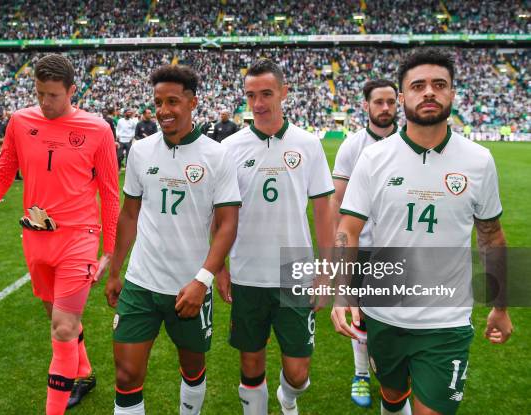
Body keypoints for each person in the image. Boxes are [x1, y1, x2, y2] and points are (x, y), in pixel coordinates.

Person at [332, 48, 513, 415]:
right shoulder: (374, 158)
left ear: (452, 94)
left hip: (446, 322)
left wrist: (501, 304)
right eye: (418, 85)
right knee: (393, 398)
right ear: (402, 97)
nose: (429, 92)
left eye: (439, 84)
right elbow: (347, 230)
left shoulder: (479, 161)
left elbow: (491, 235)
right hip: (384, 315)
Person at [0, 54, 120, 415]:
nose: (45, 102)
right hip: (36, 237)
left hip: (80, 238)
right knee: (60, 320)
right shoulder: (20, 121)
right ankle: (84, 374)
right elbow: (1, 175)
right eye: (40, 93)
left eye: (54, 95)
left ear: (72, 90)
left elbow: (109, 191)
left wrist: (110, 251)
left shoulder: (98, 130)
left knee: (61, 328)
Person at [105, 65, 241, 415]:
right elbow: (130, 214)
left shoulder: (217, 155)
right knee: (126, 374)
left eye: (173, 101)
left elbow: (227, 224)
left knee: (193, 368)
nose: (163, 110)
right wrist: (116, 270)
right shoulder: (140, 151)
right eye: (158, 102)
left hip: (190, 285)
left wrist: (203, 279)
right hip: (141, 282)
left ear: (193, 102)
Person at [220, 58, 336, 415]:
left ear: (284, 93)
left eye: (266, 93)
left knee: (298, 372)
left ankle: (288, 398)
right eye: (251, 95)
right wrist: (219, 267)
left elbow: (322, 210)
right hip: (247, 270)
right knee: (251, 364)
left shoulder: (308, 144)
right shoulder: (230, 148)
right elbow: (221, 214)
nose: (258, 103)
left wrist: (327, 271)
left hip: (295, 270)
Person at [331, 78, 399, 408]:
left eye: (390, 102)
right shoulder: (351, 147)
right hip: (361, 247)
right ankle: (360, 374)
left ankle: (395, 375)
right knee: (360, 318)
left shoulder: (409, 143)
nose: (385, 108)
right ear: (366, 106)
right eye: (379, 102)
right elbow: (337, 206)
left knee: (398, 315)